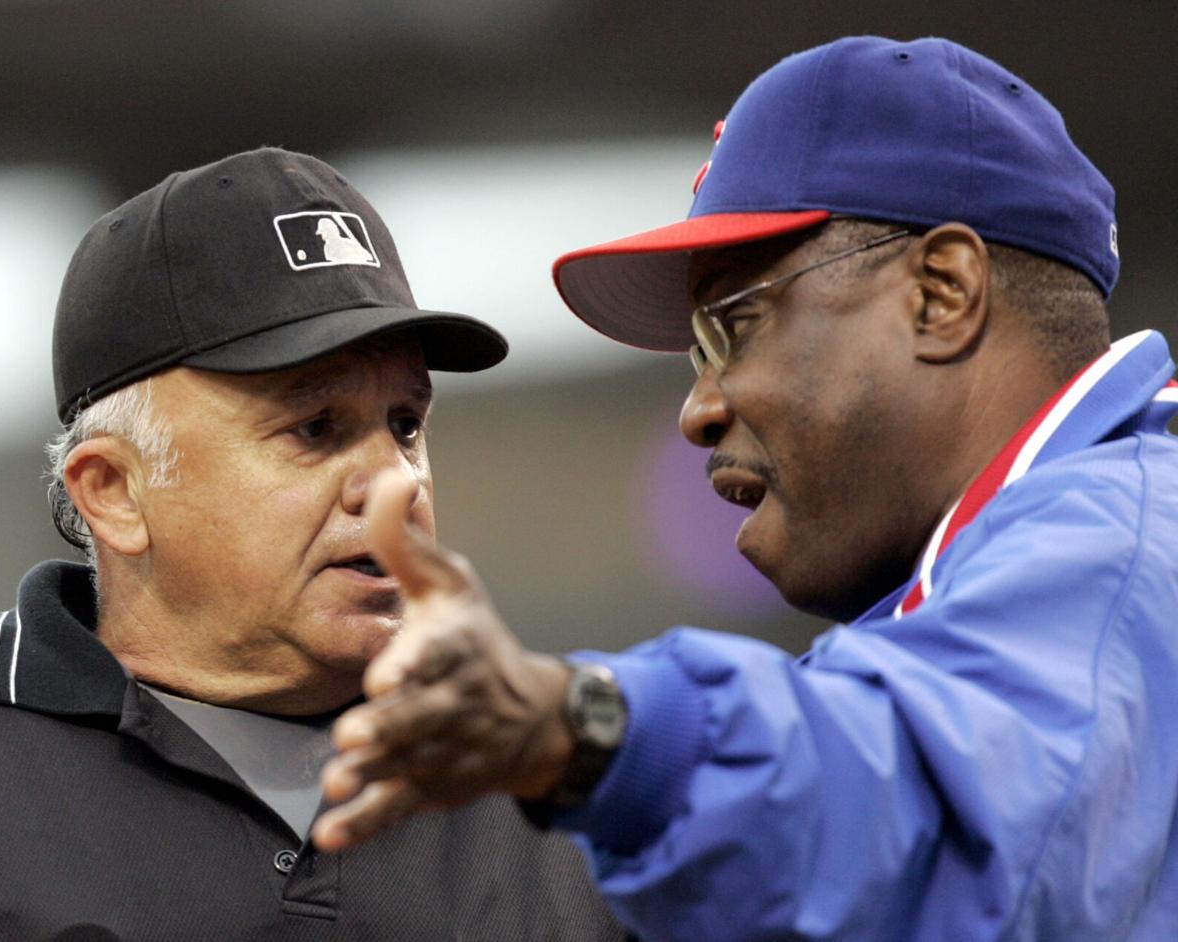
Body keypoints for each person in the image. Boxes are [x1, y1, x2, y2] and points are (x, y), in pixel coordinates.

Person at [312, 37, 1178, 942]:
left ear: (942, 293)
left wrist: (591, 728)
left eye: (736, 326)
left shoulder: (1123, 545)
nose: (699, 407)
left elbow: (924, 808)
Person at [0, 147, 629, 941]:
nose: (395, 484)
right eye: (315, 428)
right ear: (114, 492)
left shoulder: (551, 772)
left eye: (406, 424)